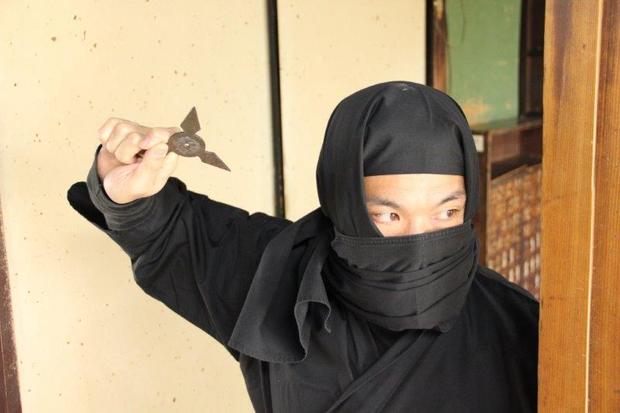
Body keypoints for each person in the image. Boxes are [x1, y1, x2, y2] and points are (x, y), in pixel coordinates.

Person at [67, 81, 538, 412]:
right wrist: (123, 184)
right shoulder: (274, 276)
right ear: (345, 206)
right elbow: (168, 231)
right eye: (388, 216)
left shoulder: (520, 327)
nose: (418, 243)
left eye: (446, 213)